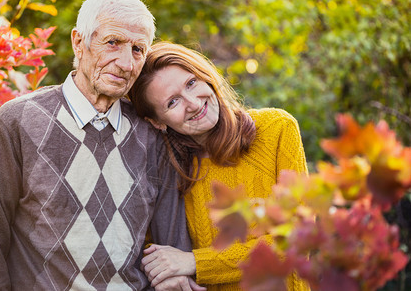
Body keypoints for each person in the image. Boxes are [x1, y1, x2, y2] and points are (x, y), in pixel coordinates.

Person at [0, 0, 194, 290]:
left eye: (138, 49)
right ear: (79, 42)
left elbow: (173, 247)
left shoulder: (152, 134)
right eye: (113, 42)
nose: (126, 63)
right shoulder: (16, 122)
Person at [129, 41, 309, 290]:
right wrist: (171, 273)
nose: (193, 103)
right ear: (157, 122)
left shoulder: (276, 129)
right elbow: (145, 246)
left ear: (205, 76)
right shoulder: (168, 169)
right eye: (173, 102)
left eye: (191, 83)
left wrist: (195, 263)